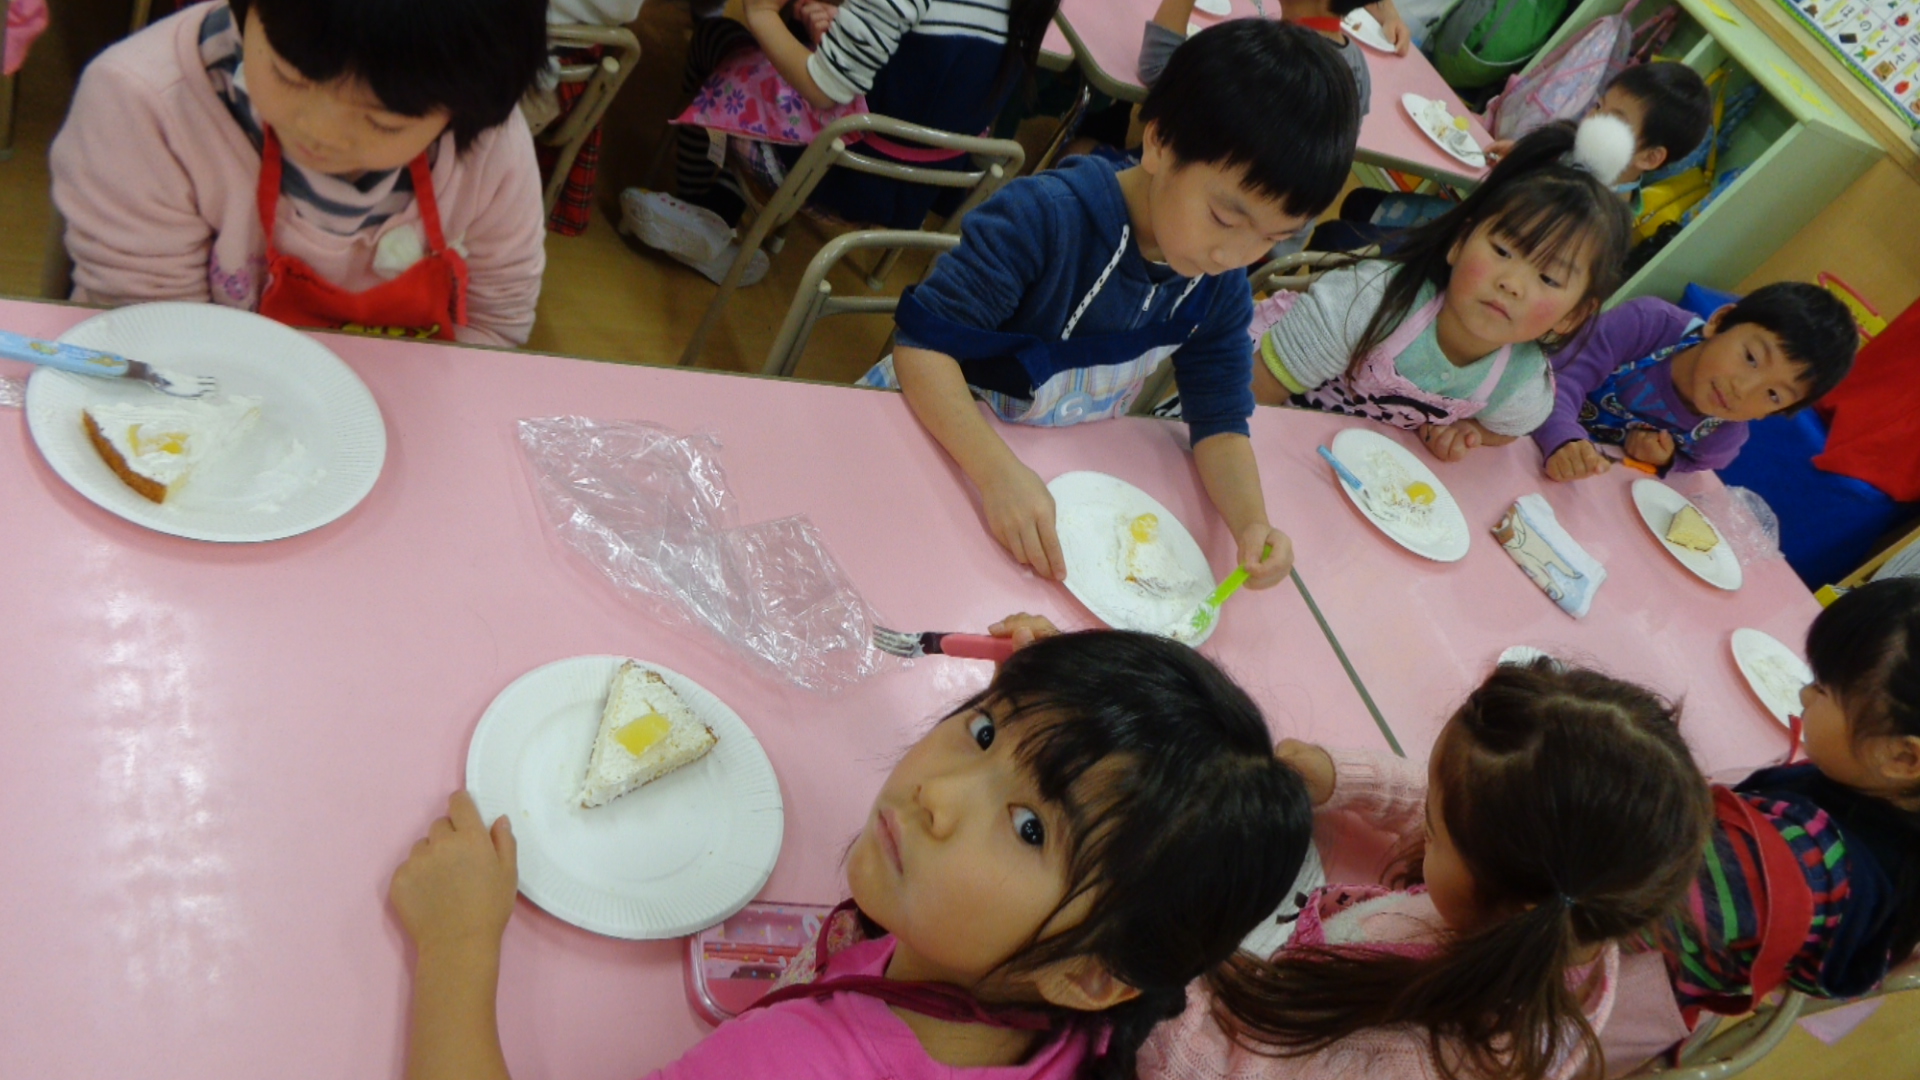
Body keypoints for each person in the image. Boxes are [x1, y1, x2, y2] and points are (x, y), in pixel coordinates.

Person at [390, 620, 1318, 1080]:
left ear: (1089, 974)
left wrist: (458, 945)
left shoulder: (792, 1061)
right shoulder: (1091, 1006)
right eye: (983, 731)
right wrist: (1058, 709)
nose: (938, 795)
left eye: (1030, 828)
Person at [859, 22, 1360, 585]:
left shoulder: (1217, 285)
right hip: (934, 433)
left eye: (1272, 237)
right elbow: (922, 348)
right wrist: (996, 472)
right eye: (1224, 218)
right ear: (1160, 142)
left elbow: (1221, 420)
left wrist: (1251, 523)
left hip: (1039, 469)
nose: (1233, 255)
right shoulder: (1044, 219)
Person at [1140, 658, 1714, 1080]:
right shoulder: (1575, 910)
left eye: (1434, 834)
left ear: (1509, 894)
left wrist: (1151, 957)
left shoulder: (1416, 1058)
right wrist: (1341, 778)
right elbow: (1454, 803)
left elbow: (1220, 1069)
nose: (1426, 826)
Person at [49, 0, 549, 347]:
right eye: (288, 77)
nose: (318, 133)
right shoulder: (147, 107)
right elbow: (158, 338)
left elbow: (493, 325)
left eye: (382, 122)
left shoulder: (487, 146)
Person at [1253, 118, 1634, 463]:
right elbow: (1254, 390)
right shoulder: (1368, 302)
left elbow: (1513, 427)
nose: (1512, 283)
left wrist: (1468, 431)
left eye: (1548, 278)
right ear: (1460, 242)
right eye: (1503, 251)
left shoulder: (1520, 381)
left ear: (1573, 315)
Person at [623, 0, 1059, 283]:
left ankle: (701, 209)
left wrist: (760, 13)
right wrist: (843, 33)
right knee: (793, 41)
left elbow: (822, 89)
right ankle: (723, 206)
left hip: (825, 174)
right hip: (910, 192)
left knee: (718, 40)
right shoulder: (1031, 8)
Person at [1645, 579, 1920, 1027]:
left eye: (1823, 689)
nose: (1804, 694)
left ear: (1903, 758)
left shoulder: (1787, 865)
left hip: (1592, 971)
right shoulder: (1874, 797)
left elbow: (1620, 909)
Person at [1316, 61, 1712, 253]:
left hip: (1465, 255)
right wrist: (1526, 155)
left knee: (1332, 236)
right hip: (1468, 224)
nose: (1594, 121)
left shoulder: (1602, 217)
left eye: (1615, 121)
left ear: (1650, 157)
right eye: (1598, 107)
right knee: (1360, 200)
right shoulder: (1577, 154)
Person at [1534, 281, 1857, 480]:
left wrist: (1665, 459)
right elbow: (1560, 379)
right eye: (1751, 358)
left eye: (1773, 395)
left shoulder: (1720, 437)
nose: (1742, 389)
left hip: (1578, 479)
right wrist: (1564, 440)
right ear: (1720, 321)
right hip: (1523, 424)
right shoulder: (1648, 324)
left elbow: (1693, 465)